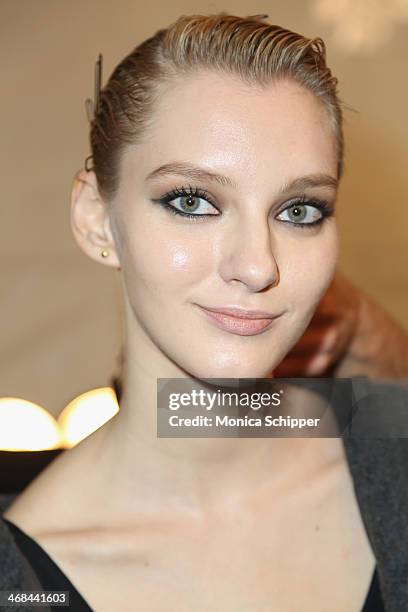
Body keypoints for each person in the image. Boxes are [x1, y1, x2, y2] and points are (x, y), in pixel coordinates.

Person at [1, 12, 407, 612]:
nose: (257, 265)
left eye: (299, 210)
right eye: (192, 201)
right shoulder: (21, 584)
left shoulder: (391, 456)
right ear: (96, 218)